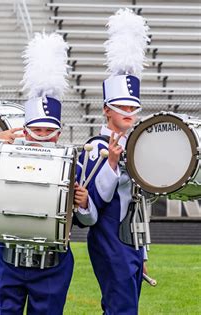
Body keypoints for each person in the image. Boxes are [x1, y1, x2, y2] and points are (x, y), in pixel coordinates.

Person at [0, 32, 97, 315]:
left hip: (52, 265)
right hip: (8, 261)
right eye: (36, 130)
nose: (41, 136)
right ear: (25, 129)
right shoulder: (4, 155)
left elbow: (88, 219)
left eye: (48, 131)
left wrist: (84, 202)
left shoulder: (73, 163)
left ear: (59, 133)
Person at [77, 9, 150, 314]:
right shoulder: (95, 148)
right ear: (106, 110)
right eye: (122, 107)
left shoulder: (138, 145)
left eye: (133, 108)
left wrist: (143, 251)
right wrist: (110, 165)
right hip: (109, 241)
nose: (129, 114)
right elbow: (89, 213)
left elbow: (138, 204)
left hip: (131, 242)